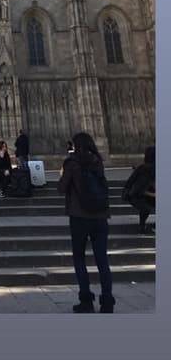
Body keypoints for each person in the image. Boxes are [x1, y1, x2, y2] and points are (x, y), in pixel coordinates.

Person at [57, 131, 115, 314]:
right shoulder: (97, 162)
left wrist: (63, 170)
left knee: (79, 258)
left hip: (80, 217)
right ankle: (107, 302)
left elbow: (61, 188)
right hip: (100, 217)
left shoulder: (72, 164)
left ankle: (86, 301)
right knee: (102, 260)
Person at [122, 145, 155, 234]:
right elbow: (132, 184)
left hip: (148, 195)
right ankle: (142, 226)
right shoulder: (143, 169)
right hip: (136, 195)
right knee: (145, 209)